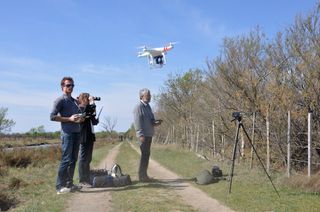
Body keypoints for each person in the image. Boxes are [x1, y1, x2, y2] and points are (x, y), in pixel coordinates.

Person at [50, 76, 83, 194]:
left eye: (72, 85)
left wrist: (80, 119)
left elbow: (78, 116)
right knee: (65, 159)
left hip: (77, 132)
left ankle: (69, 184)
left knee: (73, 159)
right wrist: (69, 119)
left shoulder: (75, 101)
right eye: (68, 85)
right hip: (67, 134)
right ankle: (59, 186)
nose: (71, 87)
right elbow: (52, 117)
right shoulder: (60, 100)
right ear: (62, 87)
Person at [133, 88, 162, 182]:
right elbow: (137, 122)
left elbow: (151, 120)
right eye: (148, 95)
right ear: (142, 96)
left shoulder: (148, 106)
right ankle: (142, 176)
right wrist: (140, 134)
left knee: (147, 155)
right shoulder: (138, 107)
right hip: (143, 136)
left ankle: (144, 175)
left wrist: (156, 123)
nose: (150, 97)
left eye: (150, 95)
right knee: (144, 155)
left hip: (149, 134)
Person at [77, 93, 99, 187]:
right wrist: (92, 103)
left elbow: (93, 120)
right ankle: (82, 180)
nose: (89, 100)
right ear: (83, 99)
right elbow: (87, 111)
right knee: (83, 158)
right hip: (83, 136)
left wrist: (95, 120)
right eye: (87, 98)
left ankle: (87, 177)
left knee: (88, 158)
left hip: (90, 135)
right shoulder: (81, 108)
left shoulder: (88, 109)